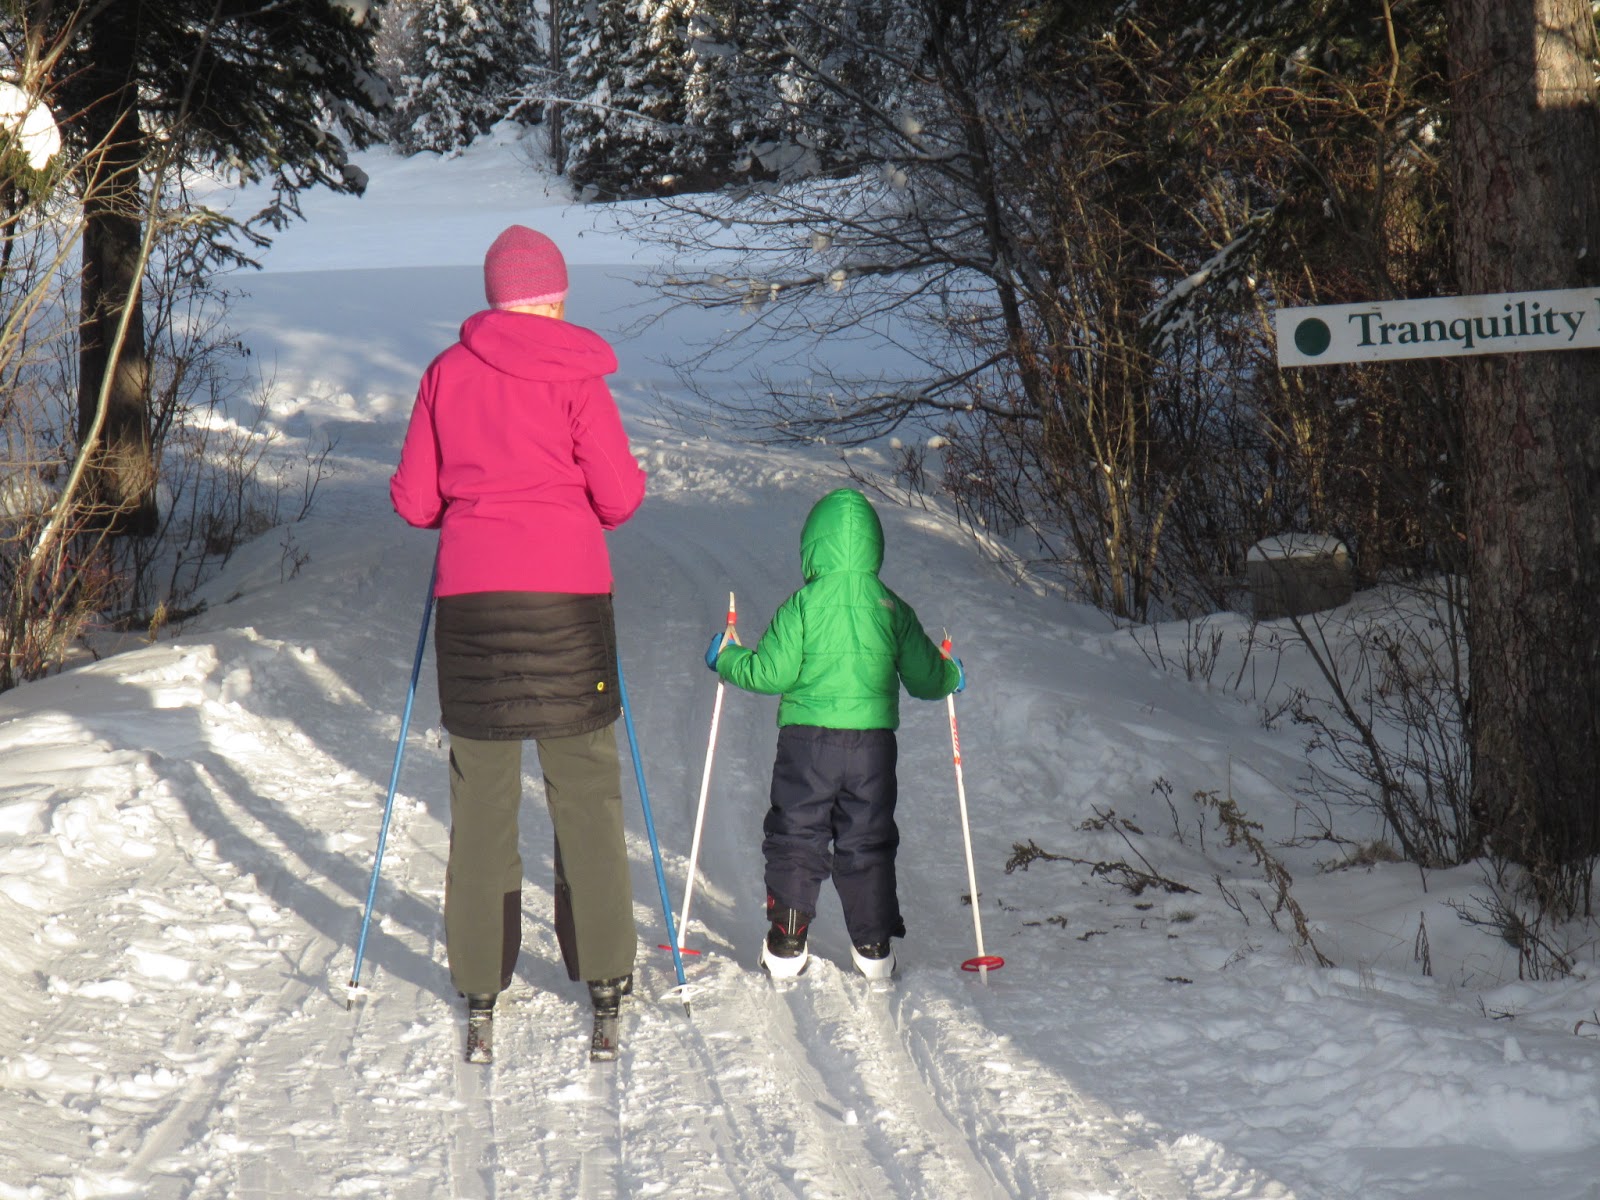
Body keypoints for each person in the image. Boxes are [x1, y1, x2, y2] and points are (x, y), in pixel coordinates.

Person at [389, 224, 647, 1054]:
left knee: (483, 798)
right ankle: (606, 974)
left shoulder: (445, 374)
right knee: (586, 792)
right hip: (567, 604)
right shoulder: (576, 376)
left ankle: (479, 986)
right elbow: (619, 496)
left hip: (474, 608)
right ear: (555, 295)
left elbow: (415, 503)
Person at [705, 487, 964, 980]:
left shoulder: (802, 605)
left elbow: (769, 674)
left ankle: (787, 942)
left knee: (797, 832)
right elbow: (927, 678)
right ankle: (873, 947)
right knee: (866, 839)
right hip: (872, 747)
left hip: (807, 744)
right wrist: (951, 673)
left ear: (813, 547)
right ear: (873, 546)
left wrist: (727, 656)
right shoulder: (892, 608)